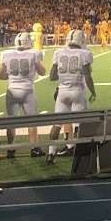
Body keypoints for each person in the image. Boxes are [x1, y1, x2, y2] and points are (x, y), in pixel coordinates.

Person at [47, 29, 97, 163]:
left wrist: (64, 75)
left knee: (57, 124)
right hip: (77, 91)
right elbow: (87, 76)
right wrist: (93, 92)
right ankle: (78, 153)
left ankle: (51, 153)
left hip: (62, 92)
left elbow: (52, 76)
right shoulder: (84, 53)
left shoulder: (58, 52)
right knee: (79, 124)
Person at [0, 32, 46, 158]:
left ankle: (10, 148)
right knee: (31, 121)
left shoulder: (6, 54)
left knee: (11, 120)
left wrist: (12, 76)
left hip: (12, 90)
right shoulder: (34, 53)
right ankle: (34, 148)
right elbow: (42, 71)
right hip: (28, 90)